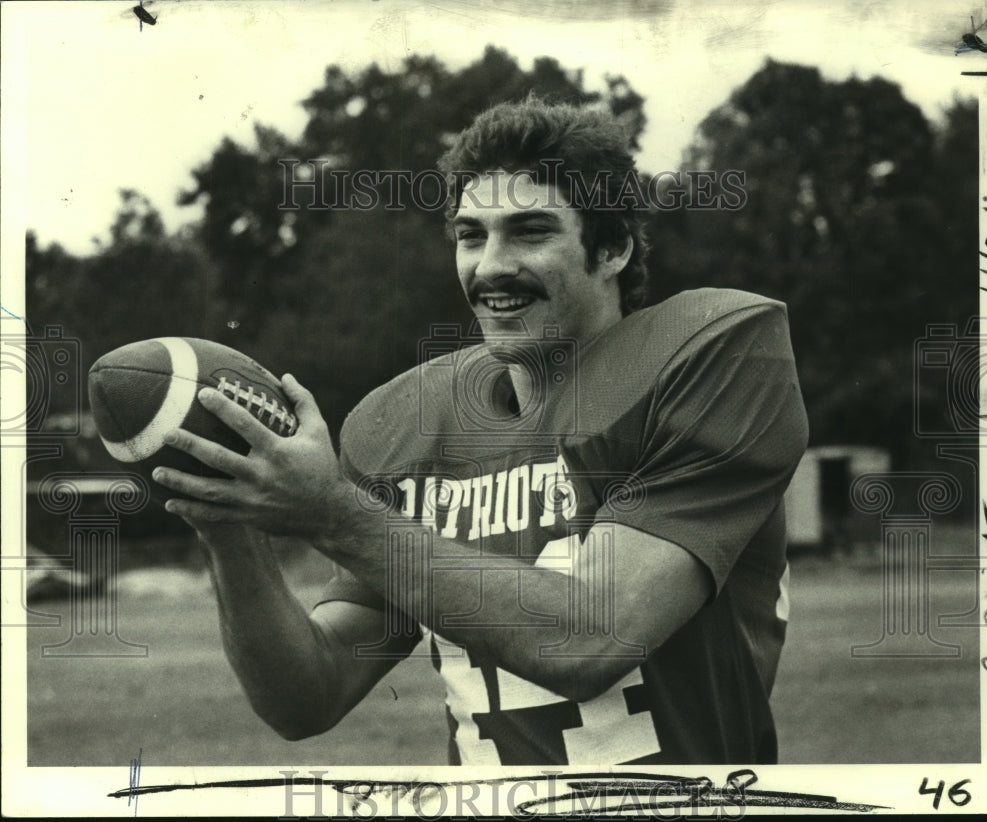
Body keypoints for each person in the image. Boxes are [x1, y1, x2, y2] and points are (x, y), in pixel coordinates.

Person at [153, 98, 809, 765]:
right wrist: (227, 520)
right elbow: (309, 694)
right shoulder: (410, 424)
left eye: (529, 232)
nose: (490, 266)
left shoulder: (704, 365)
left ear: (611, 248)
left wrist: (331, 514)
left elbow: (591, 640)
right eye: (471, 235)